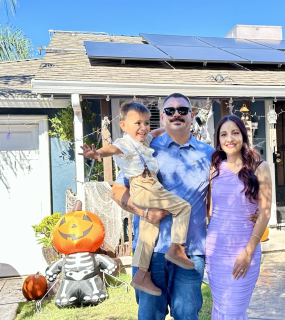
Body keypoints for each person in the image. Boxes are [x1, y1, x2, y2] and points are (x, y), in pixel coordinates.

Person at [110, 93, 259, 319]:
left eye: (182, 110)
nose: (176, 114)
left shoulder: (210, 155)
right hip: (151, 254)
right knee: (149, 316)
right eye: (170, 111)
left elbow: (224, 192)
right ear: (162, 117)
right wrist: (145, 212)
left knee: (187, 315)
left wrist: (251, 210)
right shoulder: (144, 151)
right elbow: (117, 191)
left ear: (191, 115)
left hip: (191, 253)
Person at [79, 102, 194, 297]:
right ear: (123, 125)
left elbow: (155, 133)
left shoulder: (143, 141)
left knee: (148, 231)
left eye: (146, 122)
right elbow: (112, 149)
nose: (143, 127)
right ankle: (177, 247)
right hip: (144, 186)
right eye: (137, 123)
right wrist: (97, 153)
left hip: (146, 188)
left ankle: (141, 273)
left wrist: (168, 125)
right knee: (183, 207)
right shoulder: (124, 143)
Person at [206, 115, 272, 319]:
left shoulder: (260, 168)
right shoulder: (214, 168)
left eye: (235, 132)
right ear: (218, 139)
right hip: (215, 250)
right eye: (224, 134)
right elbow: (210, 210)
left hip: (245, 246)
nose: (230, 138)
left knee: (233, 311)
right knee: (219, 309)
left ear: (243, 136)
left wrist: (248, 252)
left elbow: (266, 212)